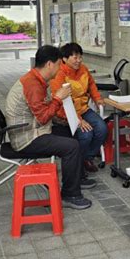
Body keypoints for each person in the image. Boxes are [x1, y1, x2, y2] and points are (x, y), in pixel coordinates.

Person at [5, 45, 94, 210]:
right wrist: (58, 99)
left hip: (32, 129)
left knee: (70, 134)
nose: (60, 68)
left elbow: (43, 113)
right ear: (49, 65)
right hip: (27, 137)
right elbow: (43, 117)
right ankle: (70, 194)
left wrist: (67, 115)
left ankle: (77, 178)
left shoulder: (35, 79)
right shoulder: (32, 84)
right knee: (71, 146)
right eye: (59, 64)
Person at [50, 42, 108, 173]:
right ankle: (77, 164)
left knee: (102, 129)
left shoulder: (84, 69)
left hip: (83, 109)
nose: (79, 60)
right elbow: (62, 102)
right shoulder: (59, 74)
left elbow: (92, 85)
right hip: (65, 113)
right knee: (86, 134)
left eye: (80, 57)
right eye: (75, 57)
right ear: (64, 59)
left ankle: (86, 158)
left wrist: (97, 98)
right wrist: (78, 120)